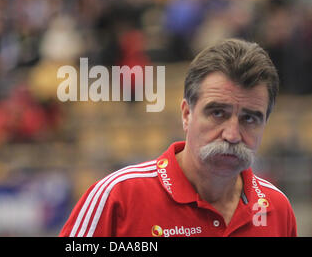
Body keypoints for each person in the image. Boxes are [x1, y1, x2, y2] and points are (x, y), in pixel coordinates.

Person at [59, 38, 297, 237]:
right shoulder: (117, 197)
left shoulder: (276, 209)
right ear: (186, 114)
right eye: (217, 113)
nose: (232, 135)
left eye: (250, 119)